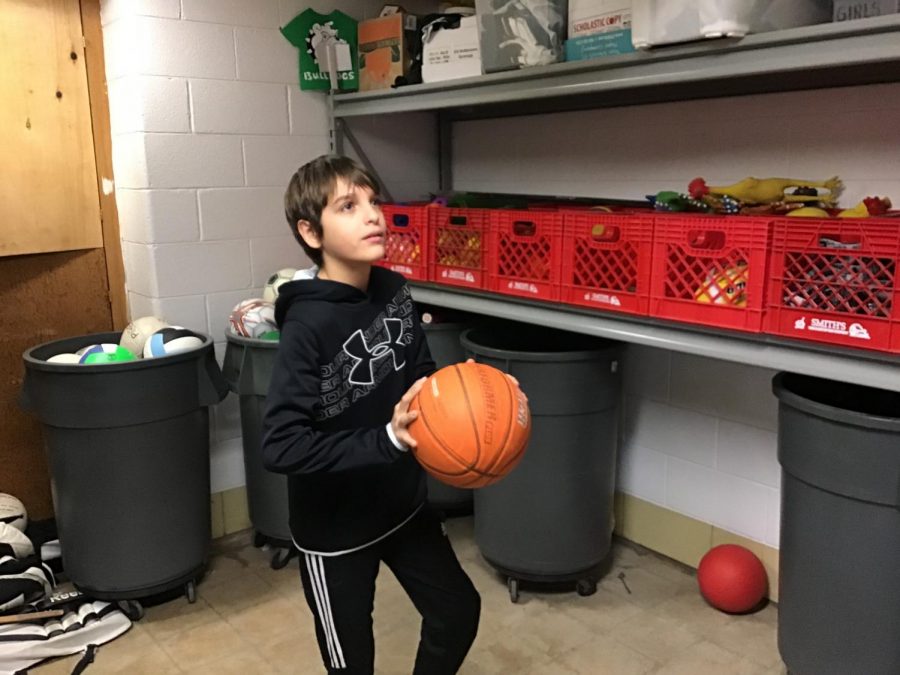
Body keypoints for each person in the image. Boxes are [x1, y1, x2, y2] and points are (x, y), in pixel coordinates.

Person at [261, 155, 480, 674]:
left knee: (457, 611)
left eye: (374, 201)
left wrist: (480, 392)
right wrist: (387, 439)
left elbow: (422, 374)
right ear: (311, 232)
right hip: (334, 532)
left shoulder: (393, 292)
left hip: (403, 506)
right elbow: (281, 444)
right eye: (348, 206)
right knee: (352, 664)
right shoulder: (305, 326)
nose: (374, 215)